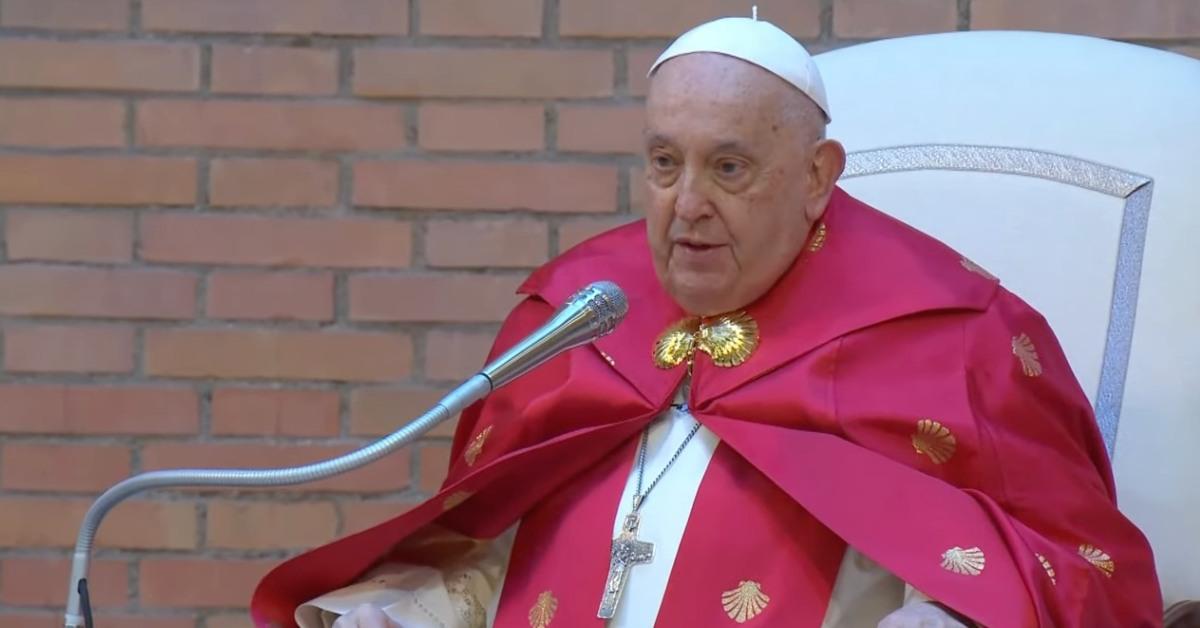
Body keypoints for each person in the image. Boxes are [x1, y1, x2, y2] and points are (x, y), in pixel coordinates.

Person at [250, 16, 1163, 628]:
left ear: (816, 176)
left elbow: (1044, 576)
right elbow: (480, 562)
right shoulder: (577, 317)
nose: (685, 206)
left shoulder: (948, 336)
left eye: (728, 168)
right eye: (662, 162)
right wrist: (390, 613)